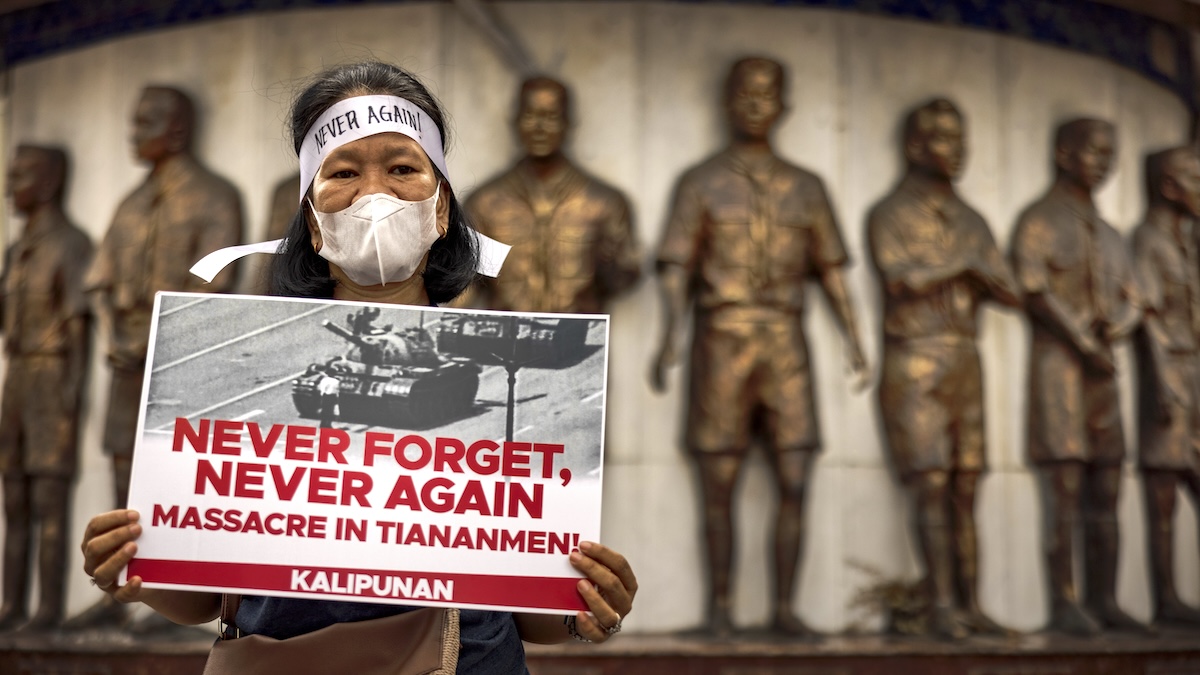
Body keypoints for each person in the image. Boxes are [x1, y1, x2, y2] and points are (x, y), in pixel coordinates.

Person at [79, 61, 636, 671]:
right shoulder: (244, 366)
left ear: (442, 208)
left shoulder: (515, 367)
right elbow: (203, 597)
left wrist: (585, 605)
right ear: (312, 220)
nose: (375, 194)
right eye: (343, 173)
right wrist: (138, 564)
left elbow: (532, 615)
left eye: (402, 168)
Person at [650, 56, 867, 636]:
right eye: (744, 93)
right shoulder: (700, 183)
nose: (754, 104)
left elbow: (834, 270)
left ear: (783, 106)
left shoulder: (807, 186)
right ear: (727, 102)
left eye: (766, 95)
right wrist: (670, 335)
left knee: (796, 477)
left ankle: (785, 610)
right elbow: (675, 267)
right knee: (718, 484)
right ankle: (719, 610)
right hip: (721, 340)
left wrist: (855, 337)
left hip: (786, 342)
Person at [69, 85, 244, 632]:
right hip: (124, 359)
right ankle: (125, 582)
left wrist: (161, 335)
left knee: (176, 469)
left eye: (146, 121)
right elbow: (95, 282)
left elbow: (216, 279)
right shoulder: (130, 202)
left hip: (181, 361)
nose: (133, 132)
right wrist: (113, 335)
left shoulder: (214, 195)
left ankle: (174, 590)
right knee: (123, 463)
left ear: (177, 128)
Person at [867, 99, 1020, 639]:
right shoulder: (891, 212)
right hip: (916, 358)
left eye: (960, 139)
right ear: (914, 146)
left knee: (967, 484)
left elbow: (1010, 289)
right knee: (931, 482)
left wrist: (980, 271)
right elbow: (899, 278)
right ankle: (939, 605)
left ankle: (971, 603)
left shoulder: (972, 219)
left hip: (964, 357)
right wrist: (963, 266)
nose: (956, 151)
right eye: (942, 139)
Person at [1009, 118, 1142, 635]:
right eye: (1094, 152)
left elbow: (1137, 301)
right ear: (1064, 154)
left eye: (1111, 154)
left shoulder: (1112, 237)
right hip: (1059, 370)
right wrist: (1084, 343)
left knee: (1107, 486)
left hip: (1104, 376)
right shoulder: (1039, 220)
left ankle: (1105, 597)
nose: (1103, 163)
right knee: (1064, 489)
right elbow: (1033, 289)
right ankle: (1065, 600)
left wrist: (1120, 326)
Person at [0, 145, 93, 631]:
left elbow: (77, 323)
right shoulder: (16, 250)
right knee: (12, 497)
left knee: (49, 498)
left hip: (51, 375)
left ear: (51, 180)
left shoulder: (70, 243)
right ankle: (11, 605)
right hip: (16, 376)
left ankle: (47, 611)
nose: (12, 185)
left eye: (23, 175)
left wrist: (71, 393)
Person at [464, 76, 641, 313]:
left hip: (579, 343)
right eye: (530, 115)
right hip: (505, 342)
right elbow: (469, 287)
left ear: (568, 124)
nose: (539, 127)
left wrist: (615, 262)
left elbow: (621, 281)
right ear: (515, 121)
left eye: (551, 117)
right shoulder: (486, 204)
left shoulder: (604, 203)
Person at [1131, 146, 1200, 627]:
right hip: (1170, 372)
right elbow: (1148, 317)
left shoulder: (1189, 241)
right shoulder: (1149, 241)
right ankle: (1167, 597)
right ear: (1169, 186)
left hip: (1196, 372)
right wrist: (1160, 381)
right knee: (1163, 494)